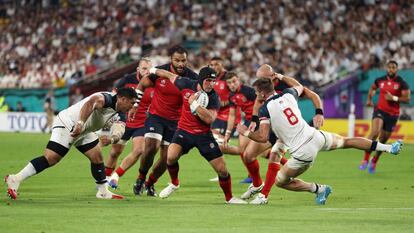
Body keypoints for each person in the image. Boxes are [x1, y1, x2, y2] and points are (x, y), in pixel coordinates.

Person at [237, 77, 403, 205]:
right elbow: (300, 86)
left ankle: (318, 189)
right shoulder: (288, 94)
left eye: (257, 92)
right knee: (348, 141)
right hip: (315, 136)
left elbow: (263, 137)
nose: (256, 95)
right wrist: (282, 76)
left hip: (303, 151)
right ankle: (388, 147)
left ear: (262, 93)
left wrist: (246, 133)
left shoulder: (265, 108)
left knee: (281, 181)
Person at [5, 87, 138, 200]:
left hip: (85, 131)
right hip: (68, 123)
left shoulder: (121, 112)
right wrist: (80, 123)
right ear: (122, 99)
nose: (133, 106)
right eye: (132, 103)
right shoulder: (106, 99)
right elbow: (90, 103)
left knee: (97, 156)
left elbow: (120, 128)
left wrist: (112, 139)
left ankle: (103, 191)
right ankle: (15, 179)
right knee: (51, 158)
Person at [149, 66, 246, 204]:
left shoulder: (214, 97)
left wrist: (194, 104)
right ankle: (174, 183)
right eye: (208, 80)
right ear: (200, 80)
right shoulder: (186, 83)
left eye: (213, 81)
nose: (211, 84)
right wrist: (153, 70)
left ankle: (229, 198)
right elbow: (169, 75)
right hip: (184, 131)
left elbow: (210, 119)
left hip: (203, 136)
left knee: (222, 170)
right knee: (170, 157)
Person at [239, 64, 324, 201]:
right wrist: (254, 119)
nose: (260, 82)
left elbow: (310, 93)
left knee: (274, 157)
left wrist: (319, 112)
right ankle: (257, 184)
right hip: (270, 127)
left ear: (273, 76)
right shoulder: (264, 89)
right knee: (248, 156)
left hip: (287, 131)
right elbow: (257, 102)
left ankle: (263, 196)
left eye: (263, 78)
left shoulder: (286, 85)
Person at [133, 45, 198, 196]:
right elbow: (142, 84)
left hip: (176, 122)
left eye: (183, 60)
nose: (181, 64)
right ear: (171, 60)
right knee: (151, 147)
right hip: (156, 117)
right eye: (177, 60)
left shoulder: (192, 78)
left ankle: (150, 183)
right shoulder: (158, 71)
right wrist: (136, 104)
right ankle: (141, 178)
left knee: (167, 158)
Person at [104, 58, 154, 190]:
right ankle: (105, 181)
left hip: (142, 124)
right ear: (138, 69)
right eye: (144, 68)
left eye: (149, 69)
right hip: (123, 122)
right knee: (115, 153)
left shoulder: (154, 83)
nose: (147, 71)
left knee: (139, 150)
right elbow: (113, 97)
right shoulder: (126, 80)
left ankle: (116, 176)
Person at [359, 60, 410, 173]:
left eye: (393, 67)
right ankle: (365, 159)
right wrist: (369, 99)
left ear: (396, 69)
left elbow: (407, 99)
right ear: (386, 68)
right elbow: (372, 88)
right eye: (389, 67)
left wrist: (394, 98)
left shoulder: (402, 83)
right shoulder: (380, 80)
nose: (391, 69)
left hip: (393, 115)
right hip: (380, 110)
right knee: (375, 132)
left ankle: (374, 161)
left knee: (383, 140)